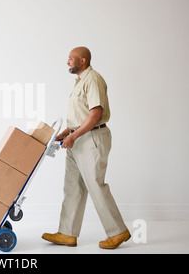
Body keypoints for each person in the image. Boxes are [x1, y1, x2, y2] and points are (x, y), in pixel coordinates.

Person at [42, 47, 130, 249]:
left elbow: (95, 114)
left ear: (83, 60)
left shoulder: (93, 79)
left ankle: (118, 232)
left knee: (95, 185)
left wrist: (74, 135)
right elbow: (82, 115)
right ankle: (67, 233)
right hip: (78, 139)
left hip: (92, 138)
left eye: (71, 59)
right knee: (73, 186)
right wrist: (67, 132)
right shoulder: (80, 82)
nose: (67, 62)